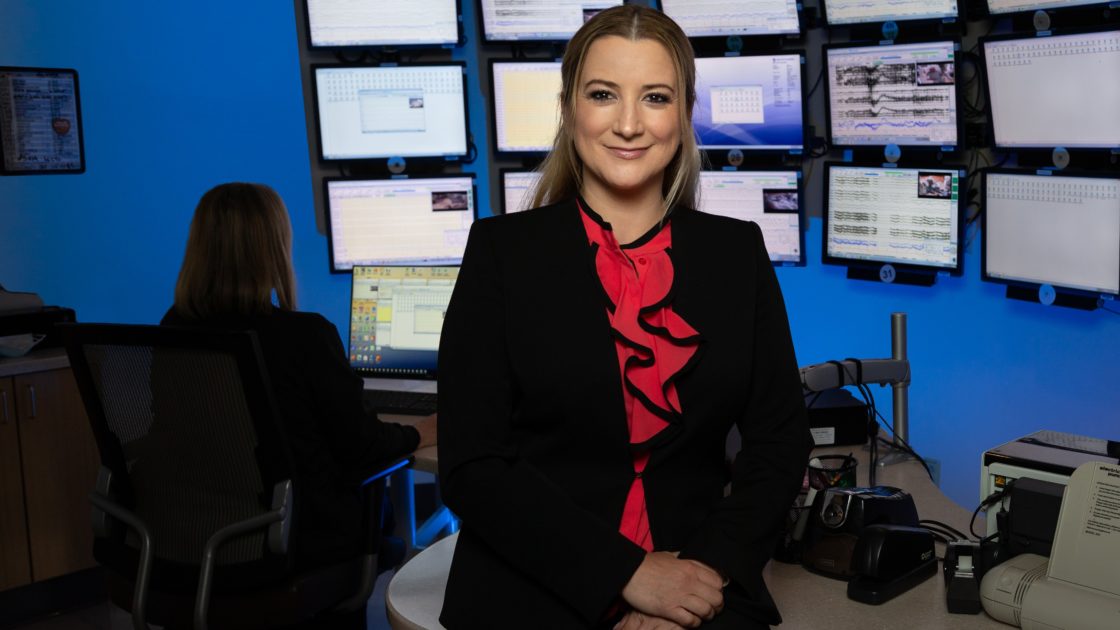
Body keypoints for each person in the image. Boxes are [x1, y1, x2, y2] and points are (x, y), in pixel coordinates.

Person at [437, 6, 812, 630]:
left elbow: (779, 444)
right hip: (530, 594)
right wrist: (630, 574)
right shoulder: (501, 253)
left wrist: (700, 580)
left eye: (656, 97)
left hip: (698, 586)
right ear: (568, 109)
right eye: (604, 94)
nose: (630, 124)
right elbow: (474, 466)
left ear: (684, 113)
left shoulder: (736, 253)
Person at [164, 183, 436, 600]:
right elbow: (363, 446)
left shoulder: (174, 331)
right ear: (273, 249)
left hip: (203, 533)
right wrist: (421, 431)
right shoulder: (303, 337)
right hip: (299, 540)